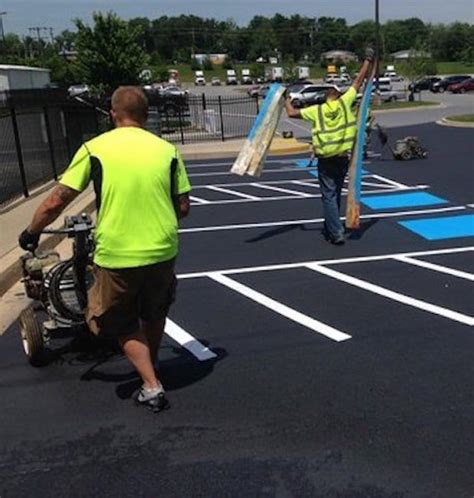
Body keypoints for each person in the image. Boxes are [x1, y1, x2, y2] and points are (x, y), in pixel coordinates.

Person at [19, 86, 191, 413]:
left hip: (119, 252)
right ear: (144, 114)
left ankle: (151, 385)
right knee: (155, 311)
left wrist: (32, 231)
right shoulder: (167, 150)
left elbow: (58, 199)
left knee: (114, 319)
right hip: (162, 248)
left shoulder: (96, 148)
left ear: (113, 114)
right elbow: (183, 206)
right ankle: (150, 364)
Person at [285, 49, 375, 245]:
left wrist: (285, 98)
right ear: (338, 95)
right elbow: (358, 81)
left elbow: (291, 113)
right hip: (342, 157)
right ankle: (331, 226)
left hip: (325, 159)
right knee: (335, 194)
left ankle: (336, 232)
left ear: (326, 97)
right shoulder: (345, 104)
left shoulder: (316, 111)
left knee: (328, 194)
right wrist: (368, 60)